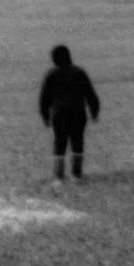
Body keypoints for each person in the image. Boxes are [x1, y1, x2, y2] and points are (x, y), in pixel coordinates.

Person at [38, 43, 101, 182]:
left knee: (59, 142)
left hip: (59, 114)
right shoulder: (79, 72)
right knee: (77, 141)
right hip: (78, 112)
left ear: (54, 59)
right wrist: (94, 111)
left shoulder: (51, 75)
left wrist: (45, 116)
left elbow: (44, 98)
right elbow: (90, 95)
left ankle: (59, 176)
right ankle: (76, 175)